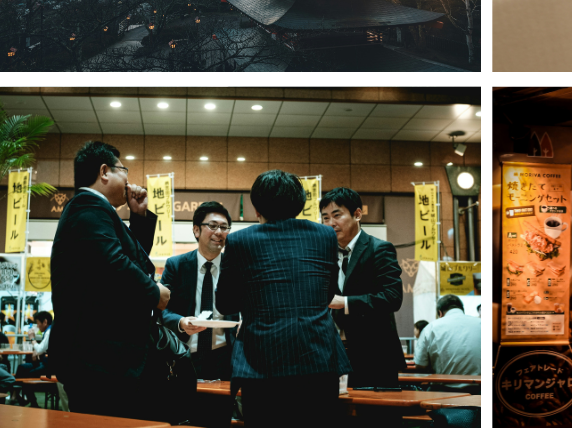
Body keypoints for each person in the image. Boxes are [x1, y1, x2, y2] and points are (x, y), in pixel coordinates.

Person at [216, 170, 350, 428]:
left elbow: (226, 303)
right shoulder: (324, 236)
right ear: (300, 203)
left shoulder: (240, 241)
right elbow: (327, 291)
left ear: (257, 208)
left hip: (262, 361)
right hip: (319, 355)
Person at [50, 140, 171, 420]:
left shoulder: (93, 211)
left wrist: (138, 215)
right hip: (98, 360)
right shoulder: (88, 207)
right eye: (123, 170)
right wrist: (155, 293)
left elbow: (131, 260)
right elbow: (114, 265)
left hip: (104, 360)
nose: (129, 178)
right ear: (104, 171)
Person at [161, 201, 238, 428]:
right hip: (184, 358)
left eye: (224, 228)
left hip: (224, 359)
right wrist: (181, 322)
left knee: (219, 420)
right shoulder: (176, 265)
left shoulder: (236, 268)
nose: (219, 233)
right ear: (196, 229)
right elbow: (160, 311)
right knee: (183, 420)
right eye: (213, 226)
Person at [320, 186, 406, 388]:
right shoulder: (323, 254)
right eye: (325, 218)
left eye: (337, 215)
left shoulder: (379, 249)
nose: (330, 223)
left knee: (375, 418)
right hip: (331, 354)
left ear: (357, 214)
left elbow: (392, 297)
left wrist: (346, 303)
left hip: (375, 354)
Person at [414, 295, 482, 394]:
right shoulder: (482, 324)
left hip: (442, 392)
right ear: (462, 309)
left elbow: (420, 365)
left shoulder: (431, 327)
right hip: (479, 392)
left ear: (440, 313)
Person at [15, 311, 53, 379]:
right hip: (44, 363)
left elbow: (39, 350)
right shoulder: (48, 331)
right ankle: (17, 388)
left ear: (45, 322)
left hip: (49, 366)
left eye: (38, 323)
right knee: (21, 367)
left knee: (27, 374)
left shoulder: (49, 332)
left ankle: (22, 388)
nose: (37, 326)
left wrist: (32, 339)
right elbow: (42, 348)